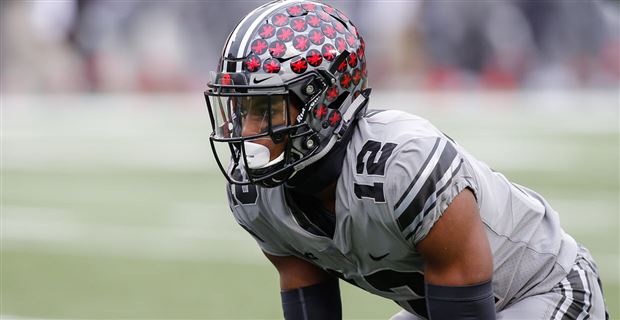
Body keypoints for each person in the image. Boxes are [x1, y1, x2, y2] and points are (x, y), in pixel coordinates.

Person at [203, 1, 609, 319]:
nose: (244, 129)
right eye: (240, 109)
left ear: (324, 103)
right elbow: (309, 299)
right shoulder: (256, 196)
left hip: (545, 288)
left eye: (266, 109)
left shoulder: (402, 166)